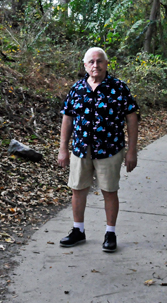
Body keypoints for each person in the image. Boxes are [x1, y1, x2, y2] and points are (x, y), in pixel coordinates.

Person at [57, 47, 139, 253]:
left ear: (106, 64)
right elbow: (67, 118)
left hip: (110, 149)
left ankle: (110, 233)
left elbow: (131, 118)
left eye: (99, 61)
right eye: (91, 62)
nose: (96, 65)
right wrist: (63, 149)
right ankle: (78, 230)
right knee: (78, 189)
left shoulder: (119, 88)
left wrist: (132, 151)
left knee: (109, 191)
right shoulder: (77, 89)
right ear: (85, 65)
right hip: (81, 148)